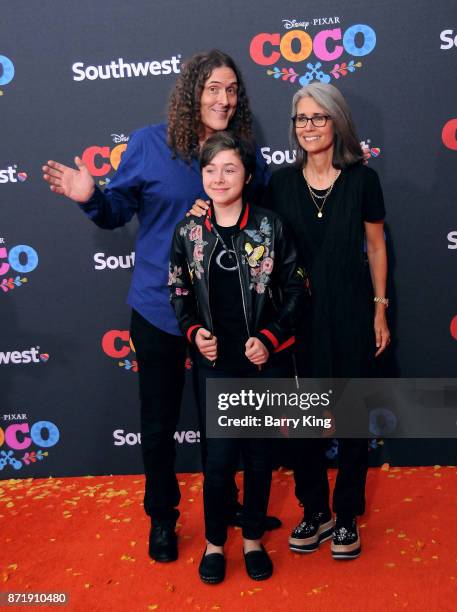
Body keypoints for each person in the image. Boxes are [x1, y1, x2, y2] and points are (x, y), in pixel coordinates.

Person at [41, 49, 280, 564]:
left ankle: (230, 504)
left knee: (228, 422)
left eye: (232, 89)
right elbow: (114, 213)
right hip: (158, 309)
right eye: (213, 87)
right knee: (158, 424)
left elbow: (254, 223)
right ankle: (163, 519)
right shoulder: (150, 144)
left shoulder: (244, 150)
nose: (223, 98)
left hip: (226, 317)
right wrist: (91, 196)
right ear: (192, 90)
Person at [169, 131, 305, 583]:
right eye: (210, 170)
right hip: (215, 367)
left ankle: (251, 541)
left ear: (247, 175)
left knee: (260, 457)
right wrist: (193, 332)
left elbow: (296, 290)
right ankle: (214, 544)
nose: (219, 178)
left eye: (230, 168)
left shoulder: (269, 226)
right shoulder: (189, 232)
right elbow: (178, 289)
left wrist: (268, 336)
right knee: (220, 462)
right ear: (201, 176)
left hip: (261, 365)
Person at [263, 82, 390, 560]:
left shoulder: (363, 180)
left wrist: (380, 308)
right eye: (301, 118)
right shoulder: (281, 183)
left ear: (337, 122)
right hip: (300, 320)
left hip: (354, 312)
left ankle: (347, 516)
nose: (309, 126)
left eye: (319, 117)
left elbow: (376, 246)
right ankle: (314, 511)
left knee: (353, 418)